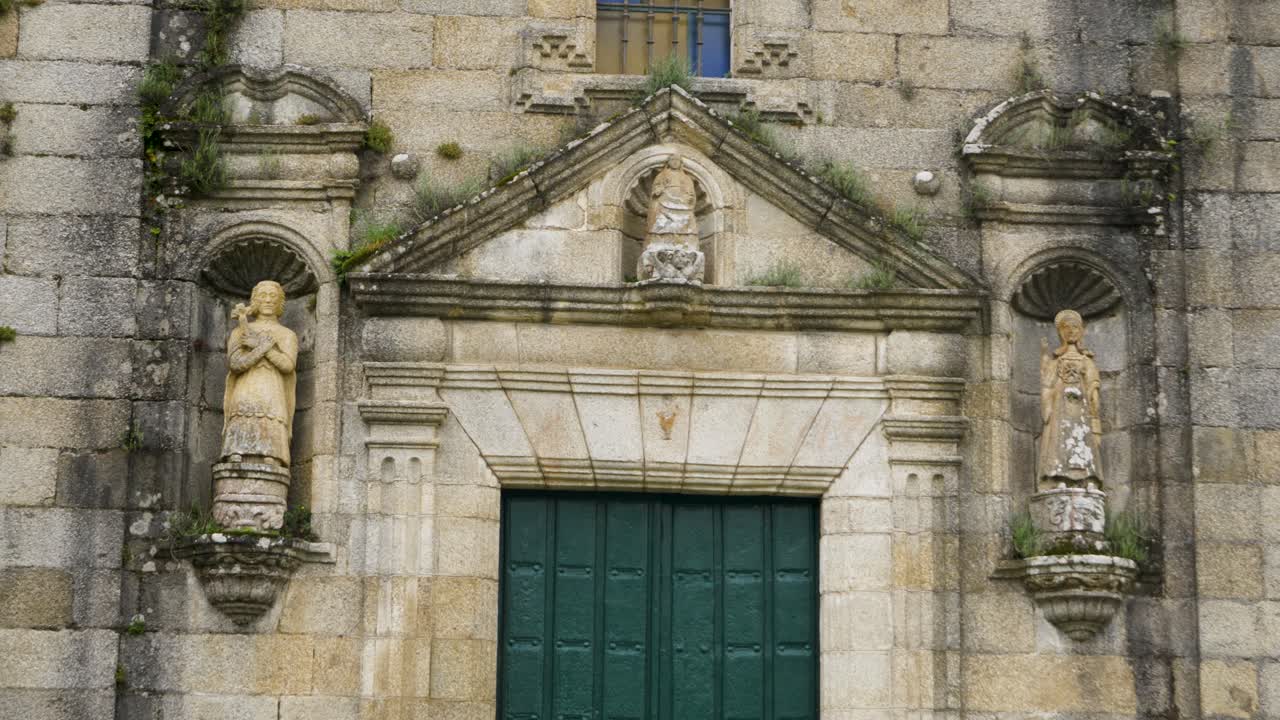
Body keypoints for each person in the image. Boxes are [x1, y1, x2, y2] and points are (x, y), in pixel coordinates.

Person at [221, 280, 298, 468]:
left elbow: (288, 365)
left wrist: (264, 348)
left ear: (280, 302)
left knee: (271, 424)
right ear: (255, 301)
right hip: (246, 388)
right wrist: (261, 348)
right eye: (263, 296)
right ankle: (236, 454)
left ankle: (272, 455)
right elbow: (236, 364)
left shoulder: (287, 334)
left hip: (272, 390)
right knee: (242, 421)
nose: (268, 300)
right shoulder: (241, 330)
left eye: (273, 296)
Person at [1037, 309, 1103, 490]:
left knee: (1083, 438)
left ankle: (1088, 478)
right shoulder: (1056, 361)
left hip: (1081, 409)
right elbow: (1047, 384)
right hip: (1060, 408)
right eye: (1067, 327)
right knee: (1060, 439)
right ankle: (1059, 477)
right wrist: (1048, 404)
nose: (1072, 331)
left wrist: (1093, 399)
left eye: (1075, 327)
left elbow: (1092, 384)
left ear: (1081, 330)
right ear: (1061, 332)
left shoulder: (1086, 360)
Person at [644, 154, 698, 243]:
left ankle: (683, 240)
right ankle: (662, 239)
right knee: (662, 221)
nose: (675, 162)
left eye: (677, 160)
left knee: (685, 220)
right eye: (673, 160)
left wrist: (689, 197)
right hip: (665, 200)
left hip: (681, 202)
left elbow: (690, 191)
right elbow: (656, 187)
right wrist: (658, 190)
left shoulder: (686, 177)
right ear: (668, 162)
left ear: (681, 163)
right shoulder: (662, 175)